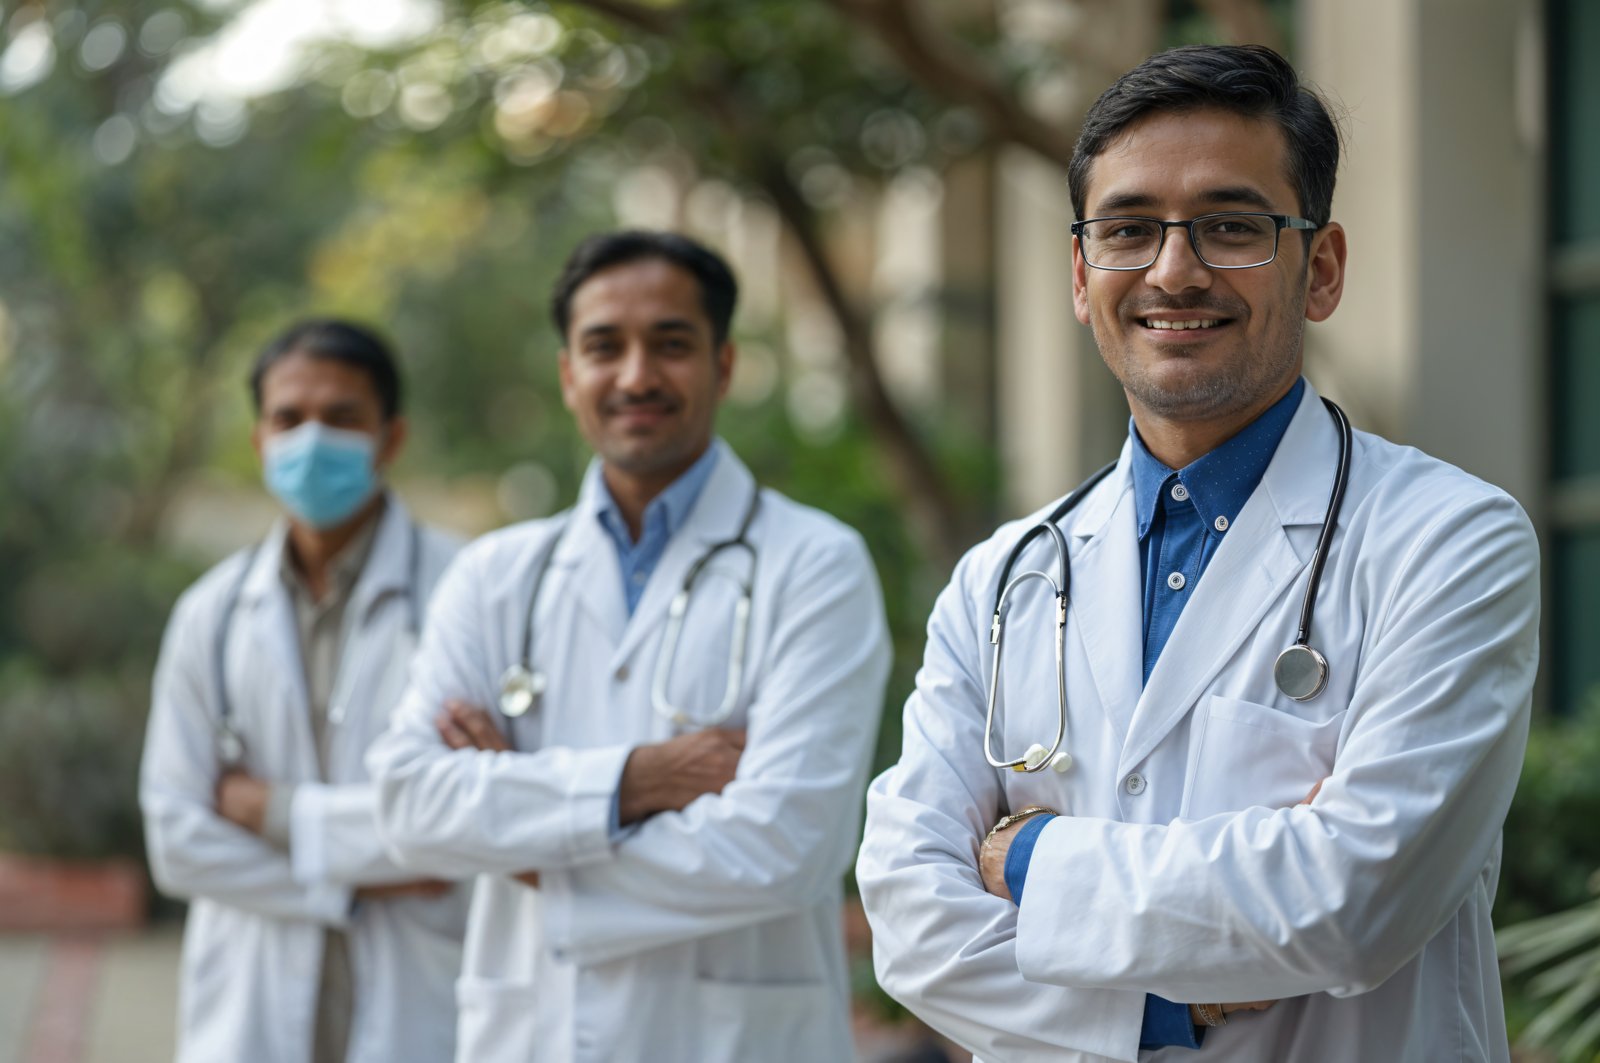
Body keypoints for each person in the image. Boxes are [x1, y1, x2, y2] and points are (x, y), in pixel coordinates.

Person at [856, 44, 1538, 1063]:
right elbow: (912, 922)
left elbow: (1350, 900)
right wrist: (1159, 1006)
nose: (1175, 270)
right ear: (1082, 277)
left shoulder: (1447, 541)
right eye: (1129, 230)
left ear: (1324, 268)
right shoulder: (1005, 577)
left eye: (1231, 226)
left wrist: (1027, 852)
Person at [367, 230, 891, 1063]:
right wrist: (639, 778)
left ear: (723, 366)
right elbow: (407, 803)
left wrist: (527, 847)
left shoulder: (814, 565)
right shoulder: (497, 574)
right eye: (604, 347)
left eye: (671, 344)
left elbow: (786, 845)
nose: (637, 375)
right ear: (569, 373)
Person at [140, 320, 470, 1063]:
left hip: (421, 1003)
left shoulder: (465, 591)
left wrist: (276, 812)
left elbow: (466, 820)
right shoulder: (212, 612)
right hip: (249, 1012)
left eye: (343, 417)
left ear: (390, 438)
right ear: (259, 440)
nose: (312, 439)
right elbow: (177, 840)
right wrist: (354, 884)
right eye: (289, 418)